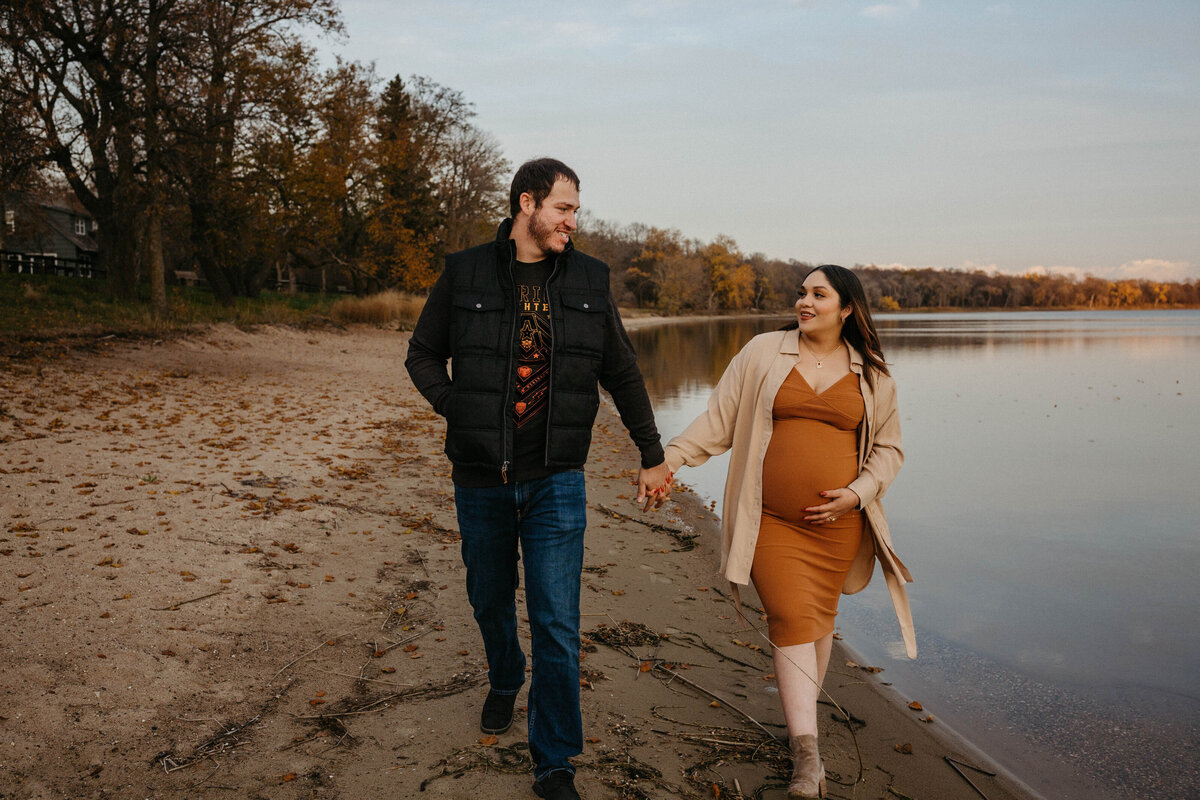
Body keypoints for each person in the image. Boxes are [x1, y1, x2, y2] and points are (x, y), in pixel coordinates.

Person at [405, 157, 671, 800]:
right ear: (528, 203)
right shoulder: (465, 269)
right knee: (489, 598)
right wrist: (457, 407)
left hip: (556, 478)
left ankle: (554, 760)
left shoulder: (589, 277)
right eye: (563, 208)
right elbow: (421, 354)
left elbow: (623, 371)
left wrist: (651, 451)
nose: (572, 222)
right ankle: (504, 676)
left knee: (557, 620)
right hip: (479, 477)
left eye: (576, 210)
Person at [661, 265, 915, 799]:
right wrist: (671, 460)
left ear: (847, 308)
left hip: (838, 527)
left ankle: (808, 737)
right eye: (802, 293)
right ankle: (807, 759)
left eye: (818, 295)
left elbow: (889, 449)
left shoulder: (873, 373)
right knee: (792, 618)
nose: (805, 302)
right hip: (771, 521)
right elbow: (719, 418)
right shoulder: (762, 351)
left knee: (816, 623)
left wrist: (858, 493)